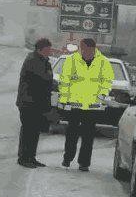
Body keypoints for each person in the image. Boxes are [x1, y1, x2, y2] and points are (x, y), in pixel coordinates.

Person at [58, 38, 114, 171]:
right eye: (82, 49)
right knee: (71, 134)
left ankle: (84, 163)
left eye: (87, 50)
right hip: (75, 105)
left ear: (93, 49)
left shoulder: (103, 62)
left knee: (88, 137)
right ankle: (68, 158)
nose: (85, 52)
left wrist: (101, 96)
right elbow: (64, 81)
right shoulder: (71, 61)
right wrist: (64, 101)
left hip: (92, 106)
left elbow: (107, 81)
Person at [16, 38, 54, 168]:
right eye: (48, 49)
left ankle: (31, 157)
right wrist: (52, 80)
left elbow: (48, 78)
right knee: (28, 131)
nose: (50, 51)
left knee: (35, 131)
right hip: (29, 102)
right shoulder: (33, 60)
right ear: (40, 49)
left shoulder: (43, 61)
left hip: (37, 103)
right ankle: (24, 158)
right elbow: (44, 78)